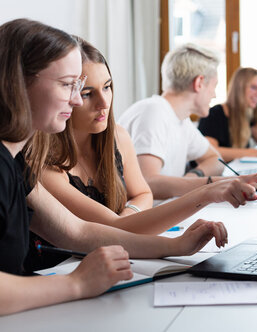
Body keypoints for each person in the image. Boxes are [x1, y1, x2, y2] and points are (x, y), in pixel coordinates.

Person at [0, 18, 227, 316]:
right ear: (19, 83)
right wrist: (77, 284)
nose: (76, 101)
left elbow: (78, 232)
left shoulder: (15, 164)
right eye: (69, 85)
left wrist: (175, 246)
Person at [41, 37, 257, 236]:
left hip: (133, 237)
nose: (104, 104)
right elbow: (119, 224)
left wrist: (200, 182)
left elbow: (142, 194)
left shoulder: (120, 135)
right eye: (87, 93)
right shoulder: (43, 161)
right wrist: (207, 190)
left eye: (108, 87)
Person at [118, 44, 257, 202]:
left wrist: (193, 176)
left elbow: (216, 160)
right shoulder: (154, 112)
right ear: (199, 83)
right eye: (214, 86)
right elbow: (147, 184)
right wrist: (214, 184)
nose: (215, 94)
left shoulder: (181, 120)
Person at [198, 67, 257, 162]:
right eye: (254, 88)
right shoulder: (213, 114)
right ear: (239, 88)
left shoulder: (248, 118)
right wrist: (256, 153)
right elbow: (210, 152)